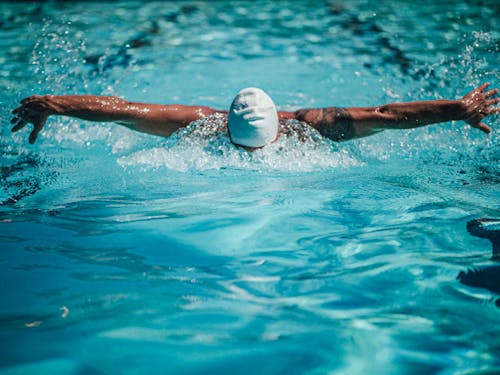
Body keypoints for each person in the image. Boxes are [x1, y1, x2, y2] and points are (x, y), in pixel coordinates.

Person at [10, 83, 499, 149]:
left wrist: (455, 110)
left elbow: (386, 113)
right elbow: (123, 111)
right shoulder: (198, 123)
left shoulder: (313, 126)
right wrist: (54, 103)